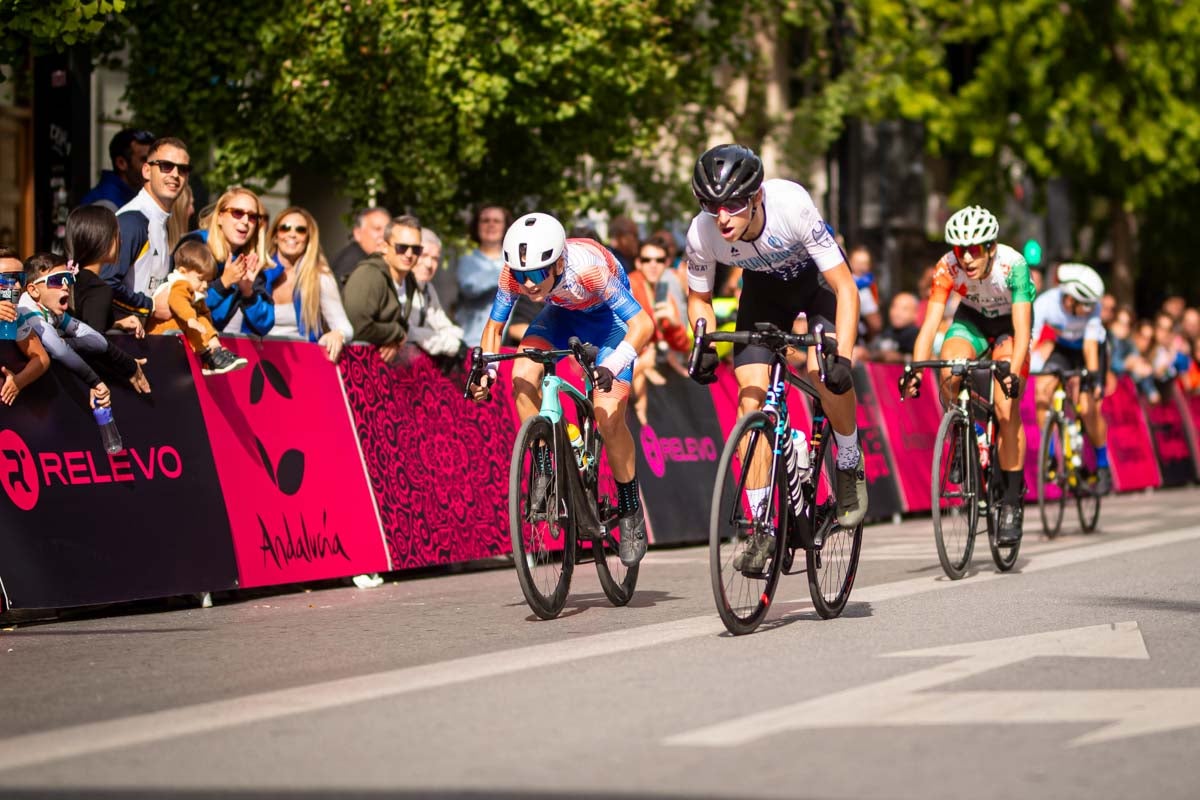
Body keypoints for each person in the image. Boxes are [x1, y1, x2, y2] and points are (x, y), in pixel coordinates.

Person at [685, 143, 868, 574]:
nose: (722, 216)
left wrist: (842, 352)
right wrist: (704, 342)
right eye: (712, 205)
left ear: (757, 197)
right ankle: (761, 524)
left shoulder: (793, 206)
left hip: (814, 284)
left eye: (732, 204)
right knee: (749, 402)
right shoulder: (702, 232)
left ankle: (847, 459)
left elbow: (845, 287)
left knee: (825, 375)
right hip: (763, 296)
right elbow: (699, 298)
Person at [467, 213, 655, 567]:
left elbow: (643, 324)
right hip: (562, 315)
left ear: (558, 263)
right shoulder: (514, 272)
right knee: (521, 374)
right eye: (522, 276)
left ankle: (630, 509)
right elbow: (494, 328)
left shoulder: (589, 270)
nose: (529, 284)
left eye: (537, 274)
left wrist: (611, 367)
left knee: (607, 415)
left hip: (609, 323)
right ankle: (543, 468)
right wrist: (487, 372)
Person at [904, 205, 1034, 546]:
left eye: (974, 250)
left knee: (1007, 410)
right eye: (961, 250)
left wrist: (1015, 372)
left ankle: (1011, 502)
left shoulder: (1013, 265)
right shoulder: (947, 267)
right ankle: (965, 433)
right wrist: (916, 368)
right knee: (949, 369)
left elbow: (1022, 328)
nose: (967, 259)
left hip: (1009, 328)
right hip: (972, 321)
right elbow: (930, 324)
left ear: (990, 247)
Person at [18, 253, 151, 405]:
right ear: (34, 290)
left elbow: (97, 340)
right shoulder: (29, 311)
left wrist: (126, 362)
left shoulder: (50, 306)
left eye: (67, 279)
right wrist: (95, 382)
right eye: (56, 280)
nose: (65, 286)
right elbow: (60, 351)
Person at [1031, 263, 1111, 495]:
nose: (1089, 310)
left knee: (1087, 409)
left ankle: (1102, 464)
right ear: (1070, 299)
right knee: (1042, 390)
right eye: (1084, 307)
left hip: (1092, 350)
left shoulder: (1093, 309)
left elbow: (1089, 347)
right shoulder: (1046, 303)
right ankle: (1049, 456)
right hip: (1063, 348)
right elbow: (1031, 340)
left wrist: (1094, 379)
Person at [102, 136, 189, 323]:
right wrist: (150, 306)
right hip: (120, 342)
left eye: (183, 169)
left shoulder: (161, 221)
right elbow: (104, 284)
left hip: (146, 342)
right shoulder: (131, 220)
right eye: (166, 165)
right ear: (147, 171)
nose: (175, 174)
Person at [178, 187, 274, 335]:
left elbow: (264, 325)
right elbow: (181, 303)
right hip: (180, 340)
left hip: (214, 346)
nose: (246, 221)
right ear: (220, 216)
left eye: (252, 216)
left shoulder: (250, 261)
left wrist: (248, 292)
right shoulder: (196, 244)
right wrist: (223, 283)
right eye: (237, 213)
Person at [146, 240, 249, 375]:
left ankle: (213, 354)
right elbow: (177, 300)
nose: (205, 285)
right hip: (160, 337)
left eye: (208, 280)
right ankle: (212, 354)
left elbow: (205, 312)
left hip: (175, 341)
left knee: (202, 319)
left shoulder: (196, 292)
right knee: (198, 319)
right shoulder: (180, 284)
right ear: (183, 271)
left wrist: (210, 332)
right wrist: (191, 319)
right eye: (201, 279)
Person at [265, 207, 352, 363]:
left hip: (302, 364)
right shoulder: (258, 273)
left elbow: (344, 327)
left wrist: (337, 334)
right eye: (285, 228)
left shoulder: (320, 277)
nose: (292, 234)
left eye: (300, 230)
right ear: (275, 236)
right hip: (260, 362)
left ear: (308, 238)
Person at [343, 214, 421, 364]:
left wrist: (395, 339)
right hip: (352, 367)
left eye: (416, 249)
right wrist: (396, 333)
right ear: (385, 247)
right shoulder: (369, 274)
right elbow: (358, 327)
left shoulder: (409, 279)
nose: (409, 254)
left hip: (381, 370)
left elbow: (401, 322)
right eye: (401, 247)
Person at [65, 206, 147, 338]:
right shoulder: (99, 290)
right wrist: (130, 360)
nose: (121, 241)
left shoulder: (70, 279)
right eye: (117, 235)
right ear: (102, 240)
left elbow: (82, 325)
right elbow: (94, 344)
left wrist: (116, 324)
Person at [0, 246, 50, 406]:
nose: (15, 286)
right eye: (6, 278)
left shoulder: (13, 316)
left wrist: (18, 382)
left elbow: (41, 359)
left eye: (19, 278)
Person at [455, 205, 511, 346]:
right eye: (485, 220)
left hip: (510, 341)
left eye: (496, 221)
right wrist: (509, 270)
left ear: (505, 227)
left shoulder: (513, 258)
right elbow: (470, 288)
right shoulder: (467, 258)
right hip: (474, 341)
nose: (491, 225)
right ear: (477, 226)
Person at [408, 228, 466, 362]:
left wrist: (458, 340)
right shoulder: (400, 285)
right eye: (424, 255)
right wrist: (449, 344)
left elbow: (441, 323)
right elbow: (407, 332)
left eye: (434, 258)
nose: (429, 264)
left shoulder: (427, 288)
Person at [79, 128, 155, 212]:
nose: (152, 166)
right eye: (144, 159)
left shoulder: (133, 196)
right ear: (121, 163)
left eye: (153, 159)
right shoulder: (105, 205)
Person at [331, 207, 390, 288]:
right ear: (357, 233)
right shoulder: (351, 264)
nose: (384, 235)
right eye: (377, 229)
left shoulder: (371, 260)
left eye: (387, 230)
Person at [870, 291, 920, 363]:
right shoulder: (886, 332)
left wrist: (901, 358)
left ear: (916, 314)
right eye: (894, 307)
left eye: (904, 309)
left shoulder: (916, 335)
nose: (897, 313)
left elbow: (925, 359)